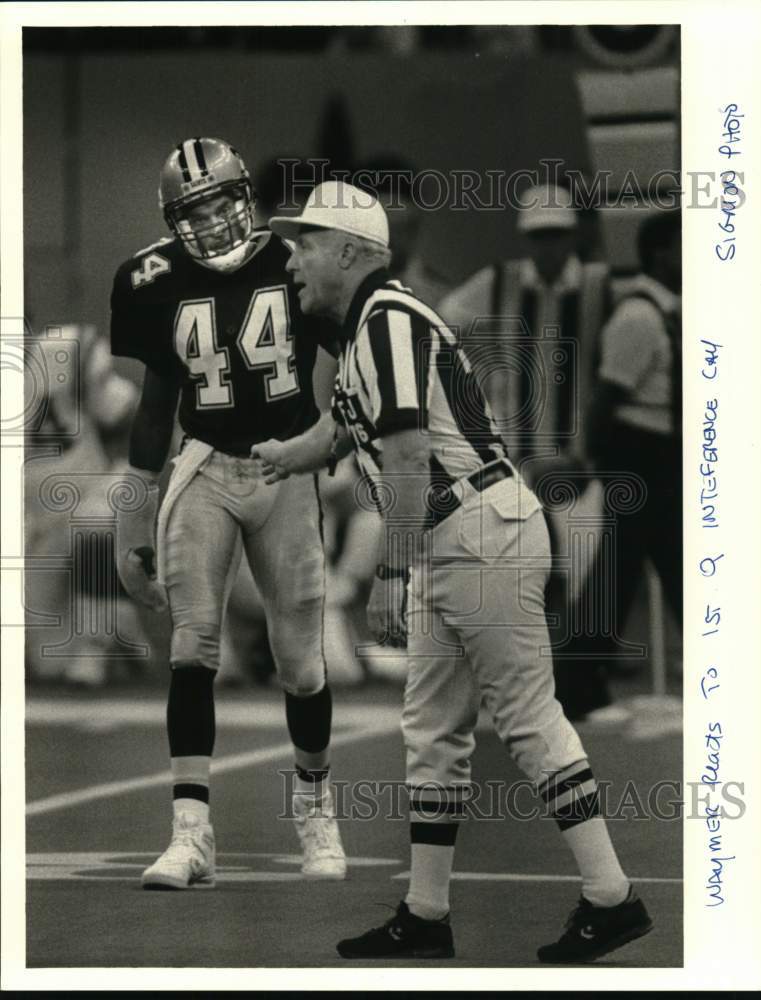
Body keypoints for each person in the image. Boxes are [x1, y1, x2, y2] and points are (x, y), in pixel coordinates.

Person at [255, 181, 653, 962]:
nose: (291, 259)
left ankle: (610, 897)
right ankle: (426, 912)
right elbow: (343, 434)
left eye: (304, 243)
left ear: (349, 251)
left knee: (528, 718)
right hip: (464, 531)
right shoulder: (378, 322)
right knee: (434, 732)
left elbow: (404, 454)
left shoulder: (385, 322)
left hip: (473, 530)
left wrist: (390, 574)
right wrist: (273, 454)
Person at [109, 137, 346, 888]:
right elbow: (154, 405)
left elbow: (344, 360)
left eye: (221, 202)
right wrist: (130, 513)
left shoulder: (295, 258)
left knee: (302, 663)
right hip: (206, 460)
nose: (212, 221)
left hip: (286, 462)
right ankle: (190, 833)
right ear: (172, 218)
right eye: (195, 210)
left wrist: (329, 442)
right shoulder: (148, 277)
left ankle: (316, 813)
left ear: (245, 195)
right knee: (192, 646)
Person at [559, 210, 683, 719]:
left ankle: (578, 682)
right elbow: (605, 399)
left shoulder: (670, 311)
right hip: (639, 455)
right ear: (659, 254)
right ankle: (575, 682)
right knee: (623, 572)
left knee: (667, 569)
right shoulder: (639, 316)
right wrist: (597, 464)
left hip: (660, 453)